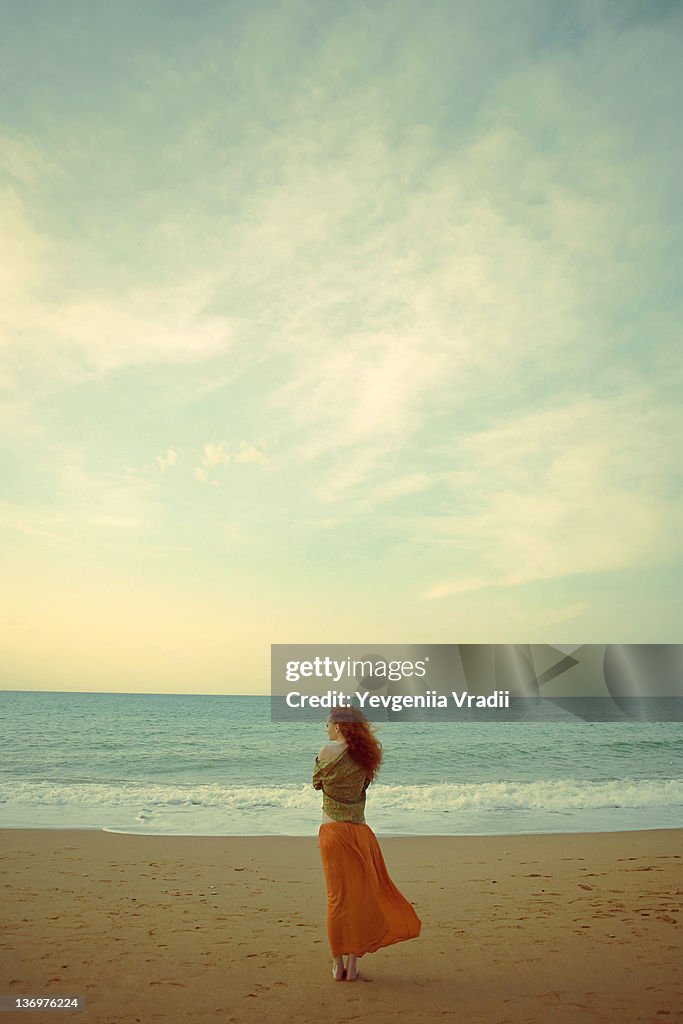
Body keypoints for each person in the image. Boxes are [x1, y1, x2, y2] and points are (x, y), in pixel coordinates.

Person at [313, 706, 421, 982]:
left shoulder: (326, 753)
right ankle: (353, 963)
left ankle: (338, 965)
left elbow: (317, 783)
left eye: (328, 724)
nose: (326, 728)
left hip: (333, 834)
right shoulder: (366, 757)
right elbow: (362, 789)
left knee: (336, 898)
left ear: (338, 726)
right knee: (358, 897)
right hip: (360, 833)